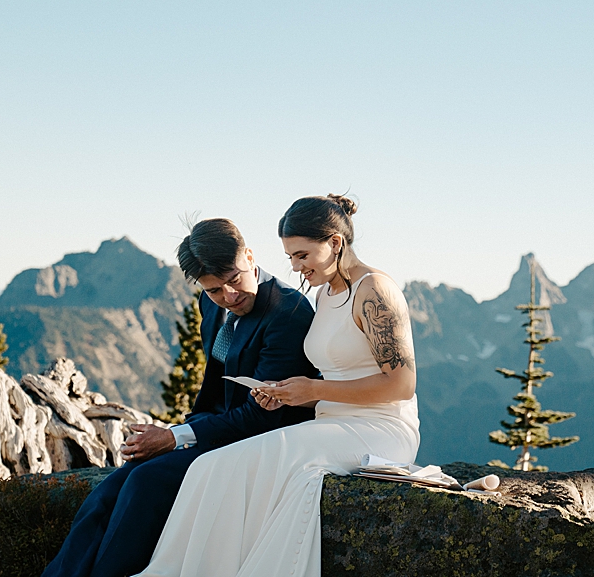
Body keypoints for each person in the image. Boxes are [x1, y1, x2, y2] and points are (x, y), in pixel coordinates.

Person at [137, 194, 419, 577]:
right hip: (330, 421)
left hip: (381, 429)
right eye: (290, 257)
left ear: (335, 243)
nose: (295, 267)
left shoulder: (375, 290)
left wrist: (314, 390)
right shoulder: (326, 293)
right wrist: (289, 395)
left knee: (221, 466)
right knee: (208, 466)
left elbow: (401, 384)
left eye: (302, 255)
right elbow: (336, 380)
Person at [43, 219, 318, 577]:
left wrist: (175, 437)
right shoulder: (212, 306)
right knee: (109, 489)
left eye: (234, 280)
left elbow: (263, 415)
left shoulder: (288, 312)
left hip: (260, 436)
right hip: (213, 428)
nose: (229, 296)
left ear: (249, 256)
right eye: (215, 290)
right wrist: (179, 432)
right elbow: (213, 389)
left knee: (146, 483)